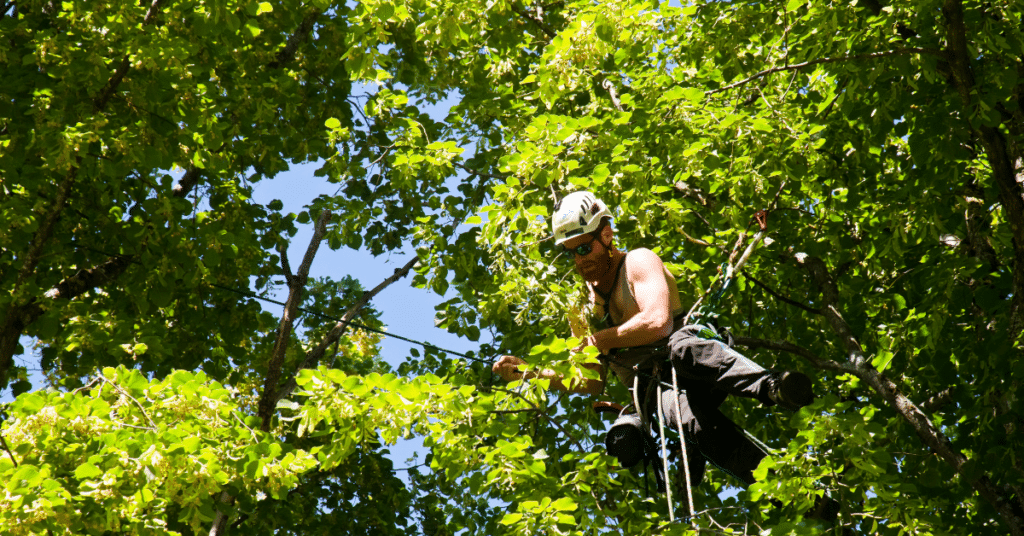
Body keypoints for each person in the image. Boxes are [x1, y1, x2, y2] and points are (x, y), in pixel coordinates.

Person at [492, 191, 814, 487]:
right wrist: (530, 373)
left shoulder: (637, 261)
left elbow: (658, 323)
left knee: (681, 349)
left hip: (695, 356)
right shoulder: (578, 309)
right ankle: (780, 487)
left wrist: (598, 341)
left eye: (584, 248)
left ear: (606, 236)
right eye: (570, 254)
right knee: (692, 423)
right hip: (652, 386)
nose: (579, 260)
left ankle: (773, 386)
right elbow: (590, 382)